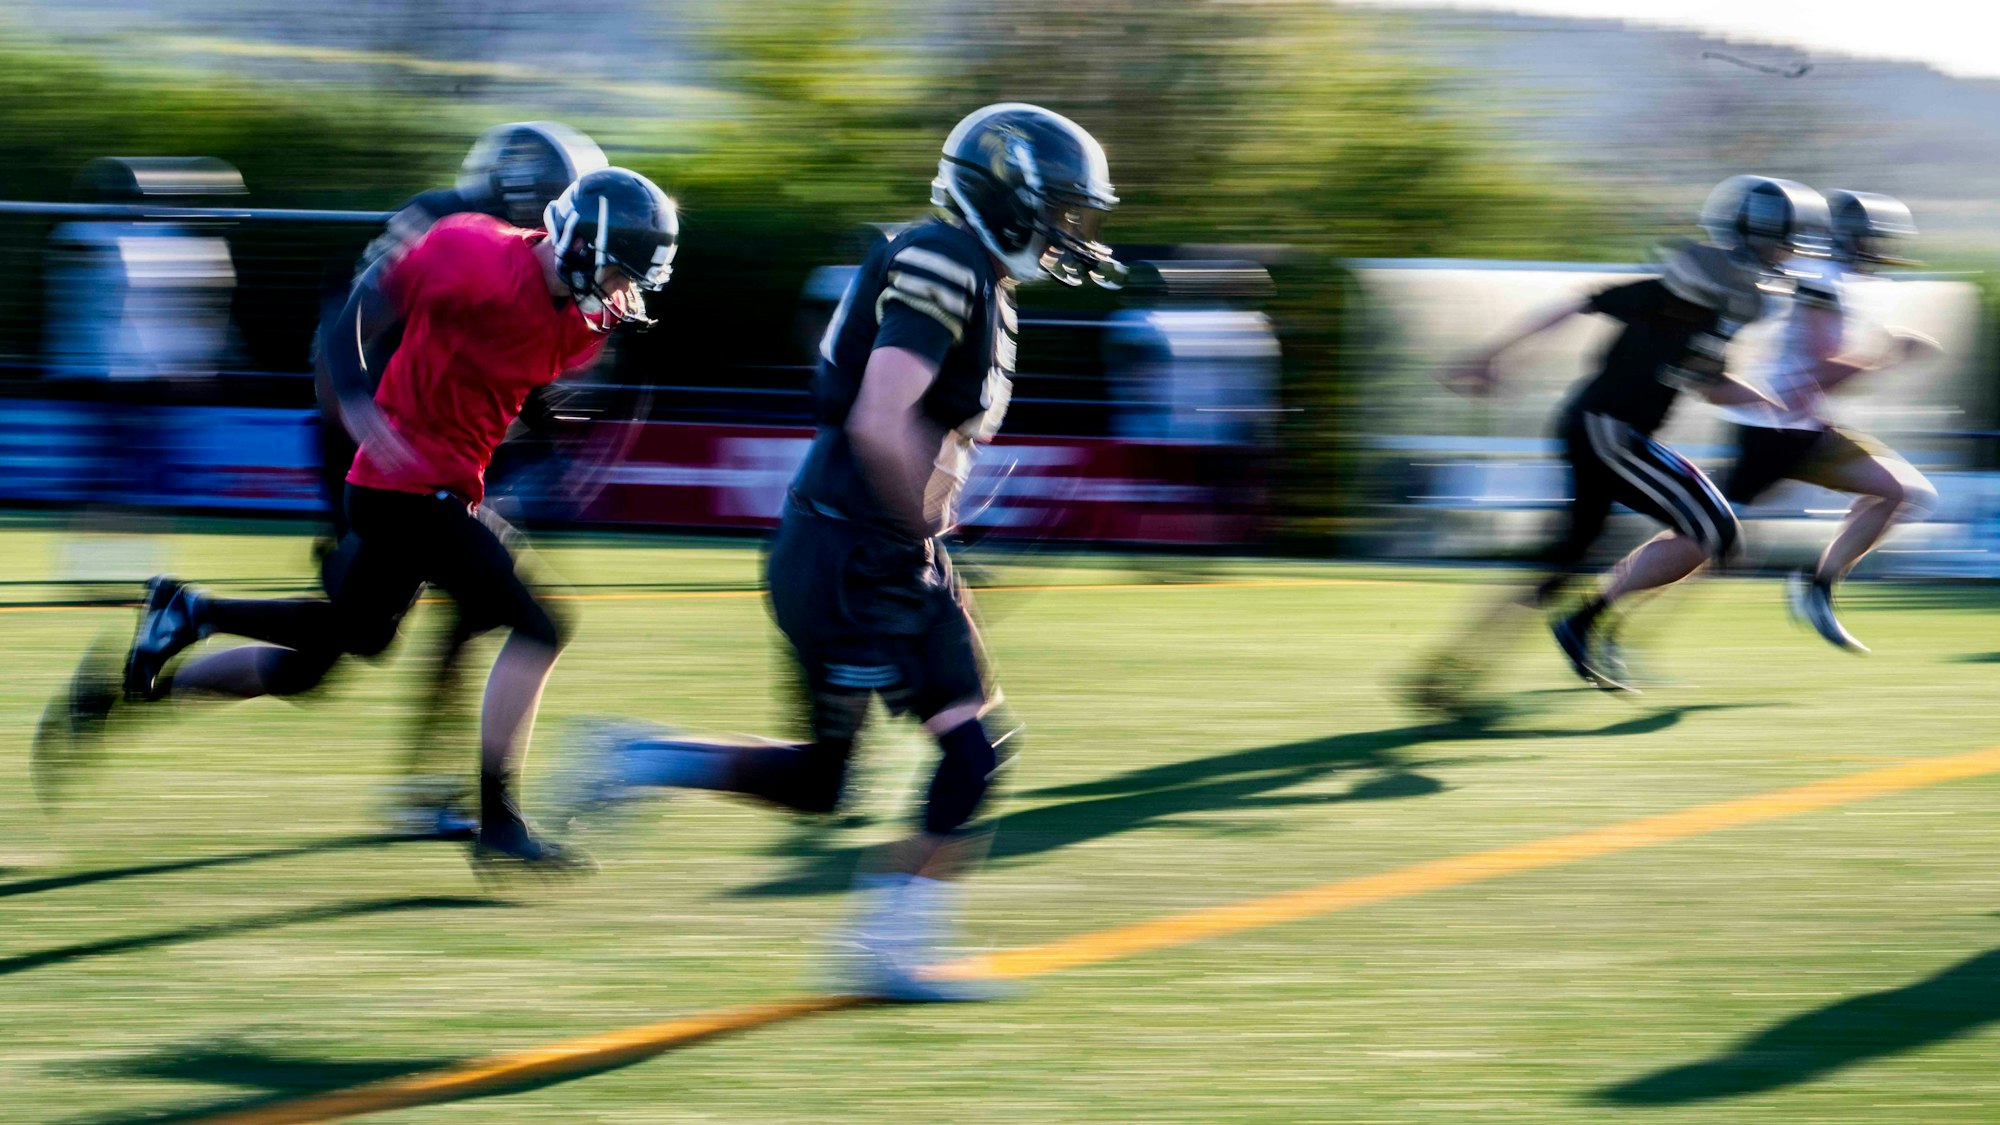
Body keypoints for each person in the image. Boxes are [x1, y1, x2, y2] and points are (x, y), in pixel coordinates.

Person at [559, 103, 1122, 998]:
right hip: (864, 549)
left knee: (825, 780)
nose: (1068, 229)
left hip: (844, 539)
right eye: (1058, 207)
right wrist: (921, 532)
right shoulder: (947, 261)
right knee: (972, 753)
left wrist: (930, 530)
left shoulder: (963, 266)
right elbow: (878, 417)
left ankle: (643, 759)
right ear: (1007, 196)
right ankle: (887, 946)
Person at [41, 168, 678, 870]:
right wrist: (356, 399)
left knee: (329, 652)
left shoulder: (580, 327)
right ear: (580, 242)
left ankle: (169, 639)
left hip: (436, 486)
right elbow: (354, 310)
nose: (624, 291)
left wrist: (568, 429)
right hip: (398, 485)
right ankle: (499, 820)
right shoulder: (473, 249)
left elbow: (506, 377)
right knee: (539, 625)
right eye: (620, 271)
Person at [312, 122, 609, 839]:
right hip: (378, 451)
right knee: (332, 651)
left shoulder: (529, 261)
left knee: (486, 611)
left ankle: (431, 785)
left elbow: (507, 361)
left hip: (436, 457)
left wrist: (546, 414)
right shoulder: (451, 230)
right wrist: (365, 422)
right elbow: (352, 328)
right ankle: (174, 638)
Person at [1412, 177, 1811, 702]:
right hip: (1608, 428)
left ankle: (1454, 669)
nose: (1789, 254)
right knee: (1714, 527)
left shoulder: (1719, 301)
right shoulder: (1676, 287)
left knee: (1566, 560)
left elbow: (1706, 381)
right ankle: (1583, 623)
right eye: (1784, 242)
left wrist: (1772, 404)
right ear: (1754, 236)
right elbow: (1582, 304)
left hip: (1605, 429)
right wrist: (1493, 356)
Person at [1719, 190, 1940, 652]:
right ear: (1854, 238)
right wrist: (1889, 352)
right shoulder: (1822, 280)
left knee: (1902, 491)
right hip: (1773, 429)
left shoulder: (1831, 278)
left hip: (1799, 427)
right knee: (1708, 543)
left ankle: (1816, 587)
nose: (1882, 250)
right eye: (1876, 239)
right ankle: (1598, 613)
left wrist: (1884, 346)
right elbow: (1821, 370)